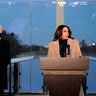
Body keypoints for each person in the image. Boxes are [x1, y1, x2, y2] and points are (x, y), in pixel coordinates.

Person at [47, 25, 84, 96]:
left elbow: (80, 57)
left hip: (72, 75)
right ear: (59, 32)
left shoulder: (74, 42)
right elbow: (49, 61)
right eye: (65, 31)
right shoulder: (52, 45)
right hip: (57, 76)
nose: (67, 33)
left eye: (68, 31)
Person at [0, 25, 11, 95]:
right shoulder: (6, 43)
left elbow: (7, 58)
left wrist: (3, 65)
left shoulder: (6, 43)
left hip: (1, 71)